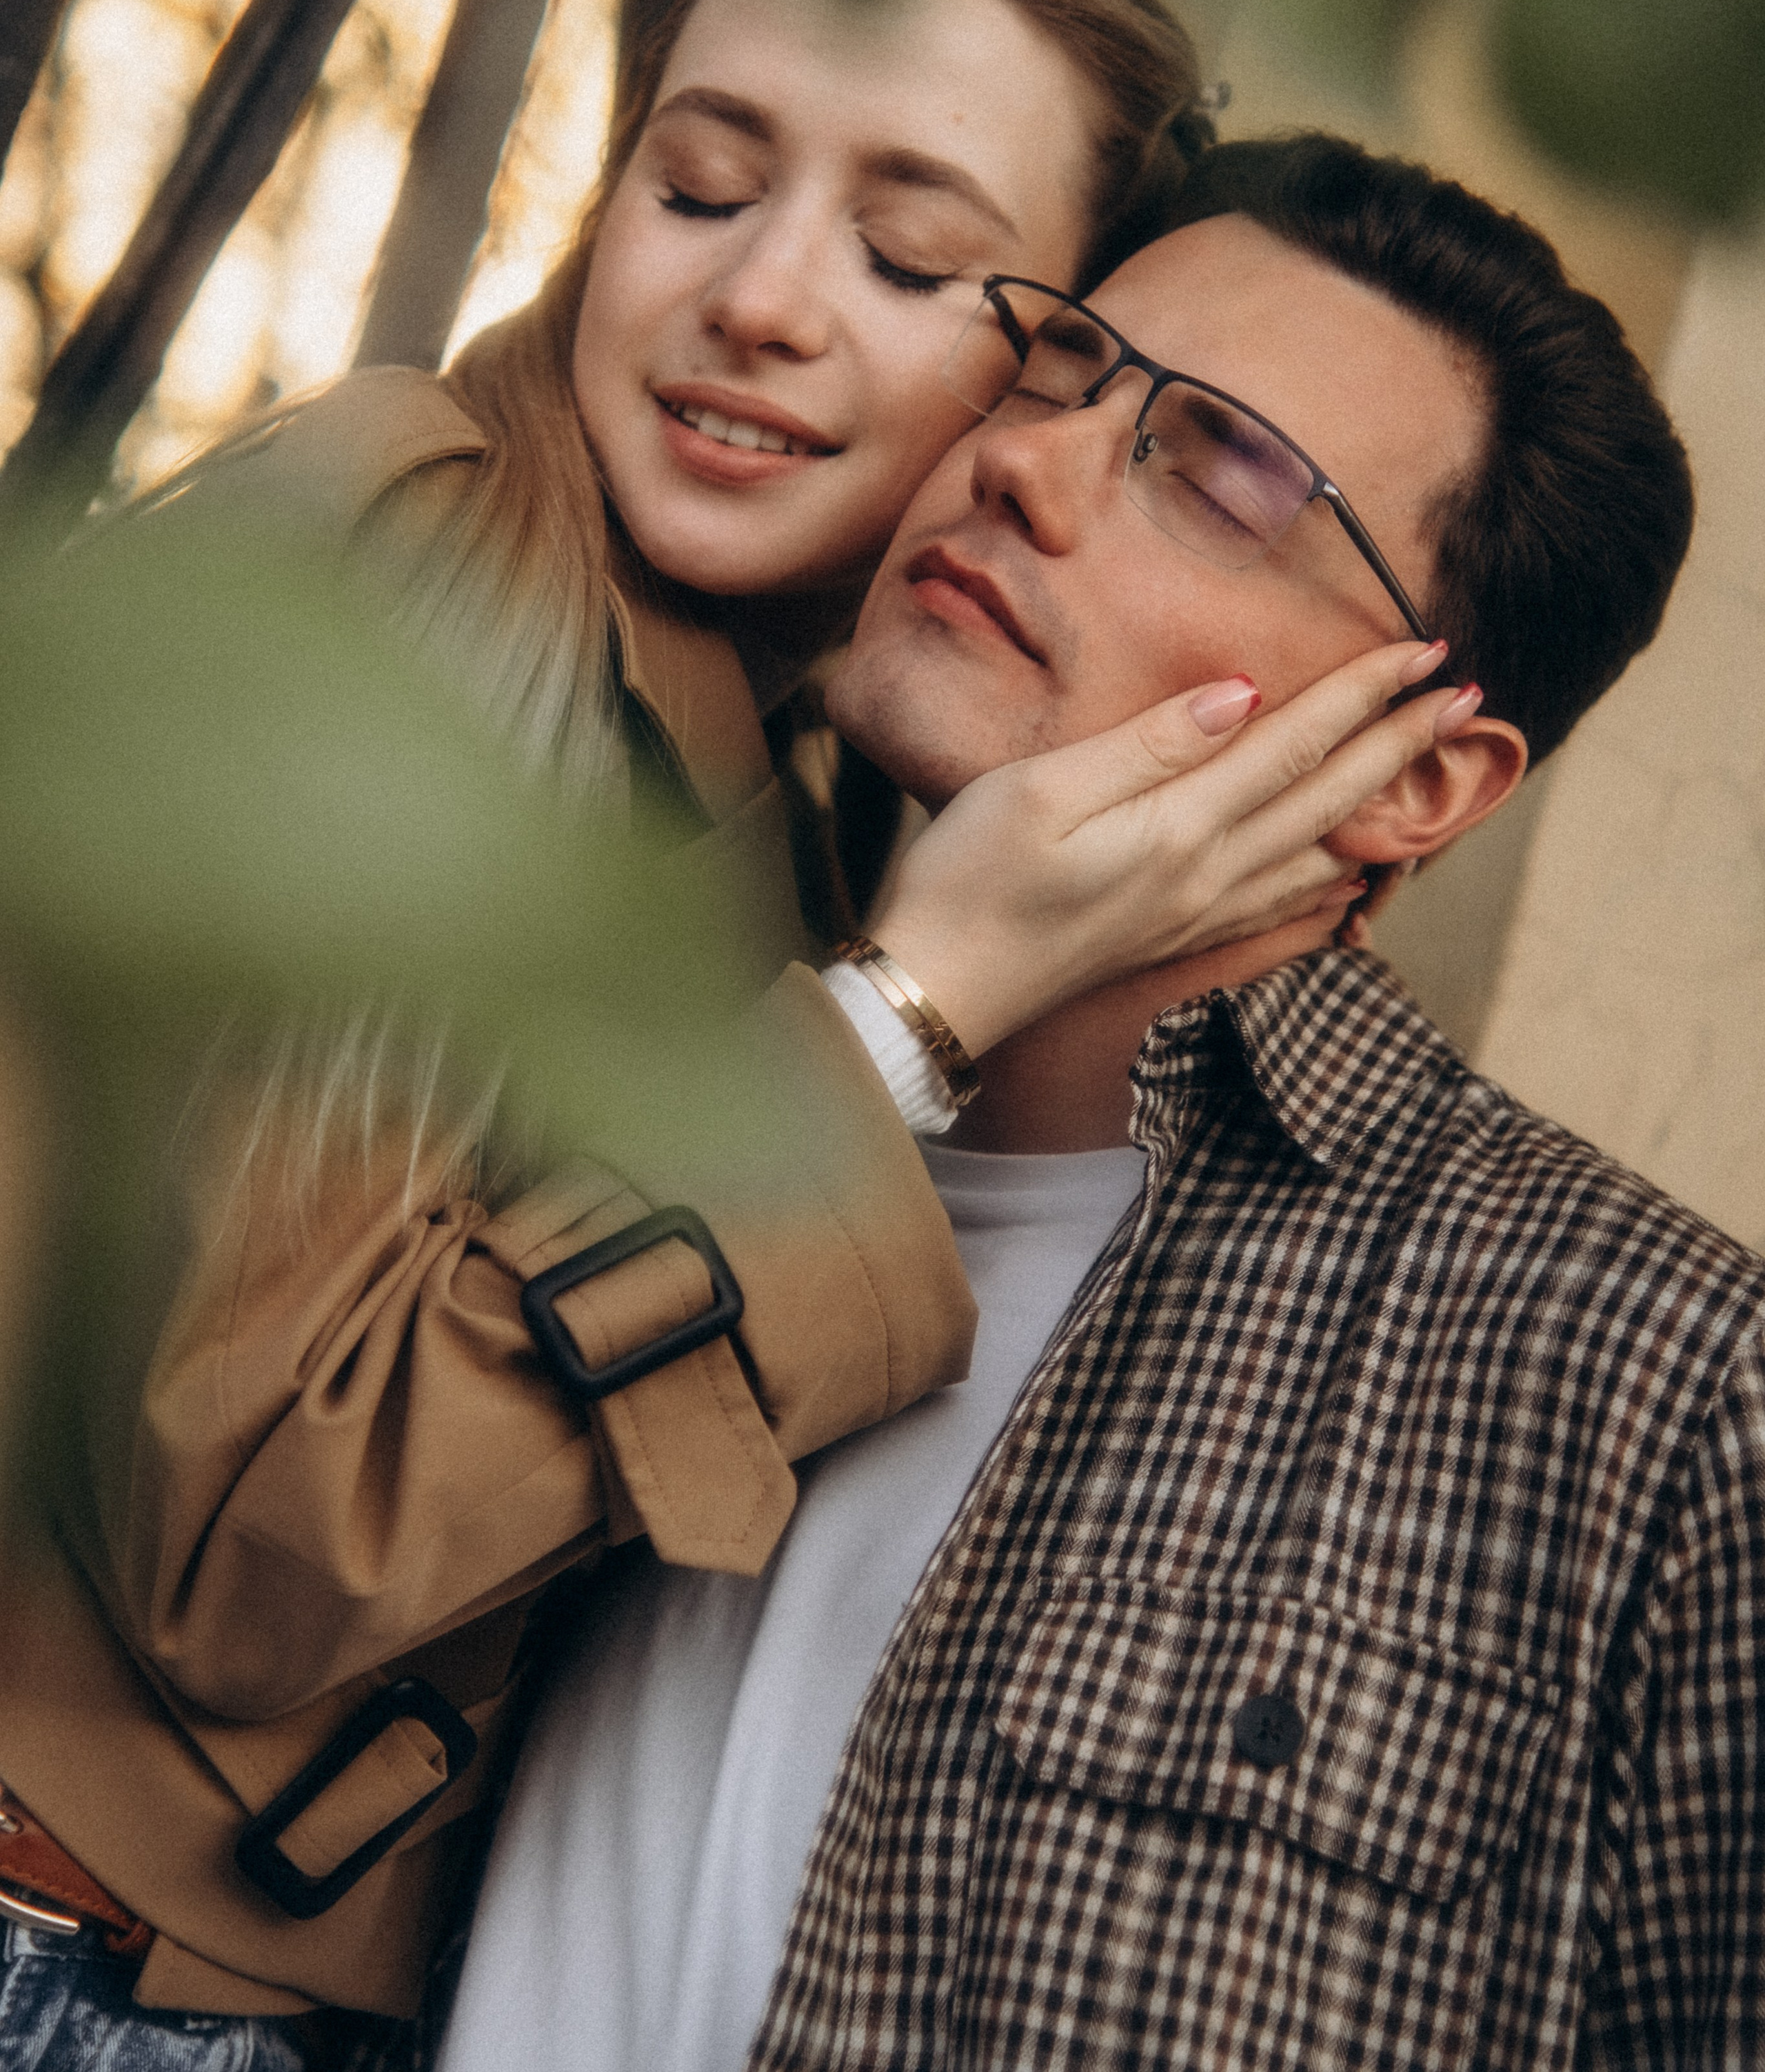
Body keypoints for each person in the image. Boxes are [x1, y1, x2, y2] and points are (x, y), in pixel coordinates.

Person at [0, 0, 1451, 2068]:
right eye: (697, 181)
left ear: (1061, 360)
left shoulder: (772, 776)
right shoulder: (410, 549)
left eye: (904, 255)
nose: (754, 300)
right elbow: (263, 1545)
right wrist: (908, 1012)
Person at [443, 133, 1758, 2072]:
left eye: (1218, 471)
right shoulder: (622, 1058)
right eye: (1061, 368)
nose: (1025, 462)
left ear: (1414, 779)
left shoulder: (1652, 1396)